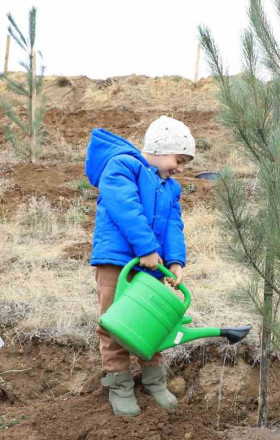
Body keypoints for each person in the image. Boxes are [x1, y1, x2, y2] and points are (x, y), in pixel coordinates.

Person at [84, 116, 194, 417]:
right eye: (179, 159)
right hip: (117, 260)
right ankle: (119, 384)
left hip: (152, 265)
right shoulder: (122, 166)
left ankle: (154, 380)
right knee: (114, 322)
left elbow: (173, 225)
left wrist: (174, 261)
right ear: (160, 149)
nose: (181, 168)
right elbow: (125, 208)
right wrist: (146, 248)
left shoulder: (169, 187)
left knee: (154, 321)